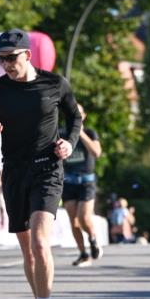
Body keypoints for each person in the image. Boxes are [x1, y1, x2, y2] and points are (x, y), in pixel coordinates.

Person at [0, 29, 82, 299]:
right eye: (1, 59)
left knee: (40, 243)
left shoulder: (55, 84)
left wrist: (69, 143)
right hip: (15, 172)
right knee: (28, 252)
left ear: (28, 55)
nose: (6, 64)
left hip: (47, 168)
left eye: (11, 58)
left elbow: (75, 118)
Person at [62, 103, 103, 266]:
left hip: (86, 181)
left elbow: (96, 153)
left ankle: (93, 239)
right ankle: (83, 254)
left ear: (83, 116)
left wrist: (80, 134)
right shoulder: (62, 134)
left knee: (84, 217)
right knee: (74, 220)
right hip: (69, 181)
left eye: (78, 113)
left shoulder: (90, 132)